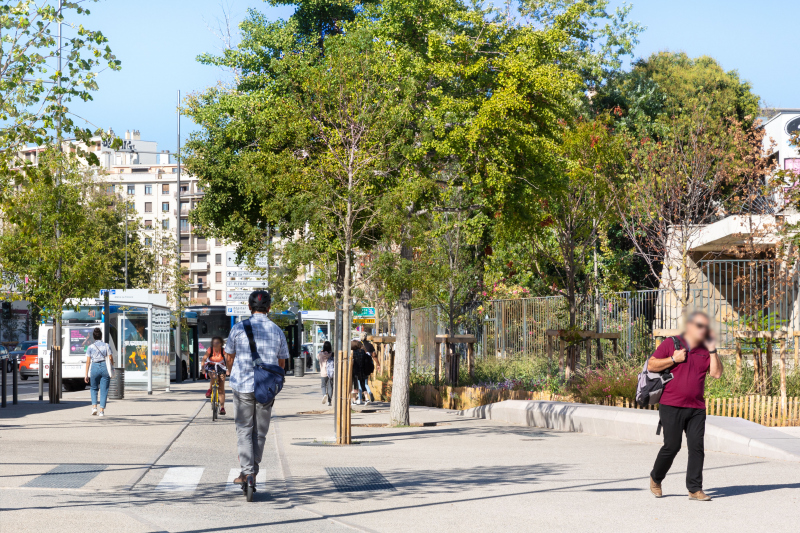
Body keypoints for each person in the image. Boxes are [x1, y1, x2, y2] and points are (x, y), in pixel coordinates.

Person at [648, 311, 723, 501]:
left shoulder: (706, 349)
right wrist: (673, 359)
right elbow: (651, 365)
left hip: (696, 407)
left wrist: (713, 350)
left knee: (697, 447)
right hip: (671, 404)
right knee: (672, 446)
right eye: (700, 326)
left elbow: (716, 374)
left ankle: (695, 489)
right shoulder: (672, 343)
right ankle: (656, 478)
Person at [225, 290, 289, 490]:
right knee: (260, 433)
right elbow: (282, 363)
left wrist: (231, 372)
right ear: (269, 308)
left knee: (244, 430)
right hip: (266, 387)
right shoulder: (277, 330)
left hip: (242, 385)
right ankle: (253, 470)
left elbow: (229, 356)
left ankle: (247, 472)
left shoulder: (237, 328)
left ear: (249, 307)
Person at [83, 328, 114, 417]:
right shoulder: (106, 345)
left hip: (94, 367)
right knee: (104, 390)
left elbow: (88, 362)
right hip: (105, 367)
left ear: (93, 337)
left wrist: (86, 375)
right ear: (101, 336)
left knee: (93, 388)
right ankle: (101, 411)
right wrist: (112, 366)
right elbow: (111, 358)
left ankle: (94, 407)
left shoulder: (90, 347)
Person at [202, 336, 227, 415]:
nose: (215, 344)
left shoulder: (223, 351)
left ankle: (222, 407)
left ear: (221, 344)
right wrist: (203, 368)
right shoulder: (210, 349)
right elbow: (203, 359)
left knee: (221, 387)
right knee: (213, 376)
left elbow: (228, 360)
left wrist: (229, 370)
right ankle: (210, 389)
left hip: (221, 366)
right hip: (211, 365)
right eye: (214, 342)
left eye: (217, 343)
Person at [351, 340, 373, 405]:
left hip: (355, 371)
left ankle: (354, 401)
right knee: (363, 385)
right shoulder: (363, 352)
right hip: (362, 371)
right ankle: (366, 399)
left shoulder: (353, 352)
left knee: (354, 386)